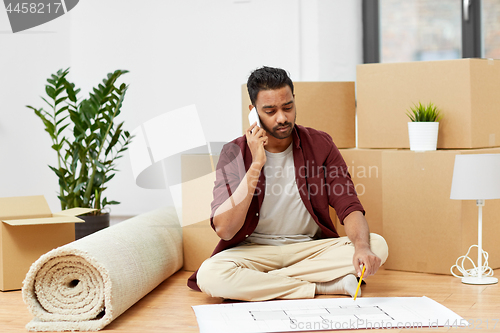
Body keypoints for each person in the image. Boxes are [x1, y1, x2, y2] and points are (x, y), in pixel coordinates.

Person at [187, 66, 388, 301]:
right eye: (270, 111)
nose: (282, 118)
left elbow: (348, 205)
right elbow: (225, 228)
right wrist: (255, 165)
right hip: (254, 252)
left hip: (309, 250)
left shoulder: (320, 144)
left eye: (288, 107)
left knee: (378, 245)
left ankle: (262, 284)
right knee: (210, 275)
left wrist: (362, 246)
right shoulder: (234, 152)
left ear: (294, 102)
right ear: (253, 112)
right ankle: (321, 287)